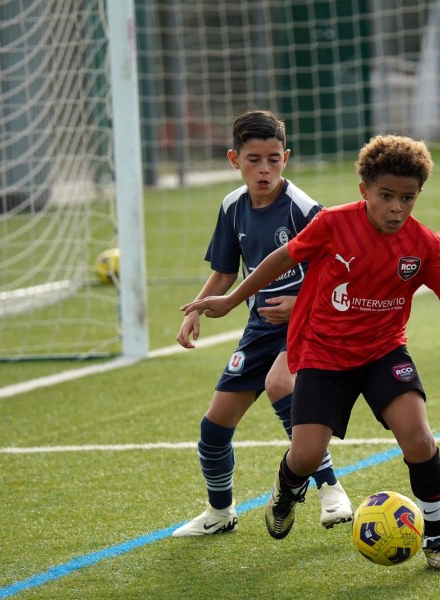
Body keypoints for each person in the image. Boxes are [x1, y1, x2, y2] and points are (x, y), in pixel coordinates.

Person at [181, 134, 440, 570]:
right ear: (364, 190)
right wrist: (232, 300)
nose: (397, 208)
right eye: (386, 196)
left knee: (420, 439)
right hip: (323, 356)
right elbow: (279, 260)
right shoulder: (332, 224)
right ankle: (288, 488)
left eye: (408, 198)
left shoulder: (423, 244)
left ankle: (438, 542)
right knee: (306, 455)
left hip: (384, 354)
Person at [172, 109, 353, 537]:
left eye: (274, 159)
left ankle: (332, 491)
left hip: (308, 324)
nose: (265, 169)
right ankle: (220, 512)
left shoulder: (303, 209)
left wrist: (300, 303)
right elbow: (225, 271)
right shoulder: (232, 207)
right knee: (213, 428)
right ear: (235, 160)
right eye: (254, 159)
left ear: (285, 158)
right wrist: (197, 308)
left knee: (280, 383)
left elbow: (341, 271)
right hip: (259, 328)